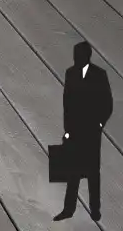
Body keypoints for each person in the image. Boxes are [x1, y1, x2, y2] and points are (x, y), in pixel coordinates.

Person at [59, 40, 111, 222]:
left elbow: (107, 102)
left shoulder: (99, 74)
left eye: (78, 55)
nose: (76, 58)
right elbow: (67, 103)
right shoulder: (70, 73)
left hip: (91, 131)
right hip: (75, 130)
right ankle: (68, 209)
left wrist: (99, 125)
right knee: (73, 172)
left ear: (86, 56)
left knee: (92, 172)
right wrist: (67, 130)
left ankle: (95, 210)